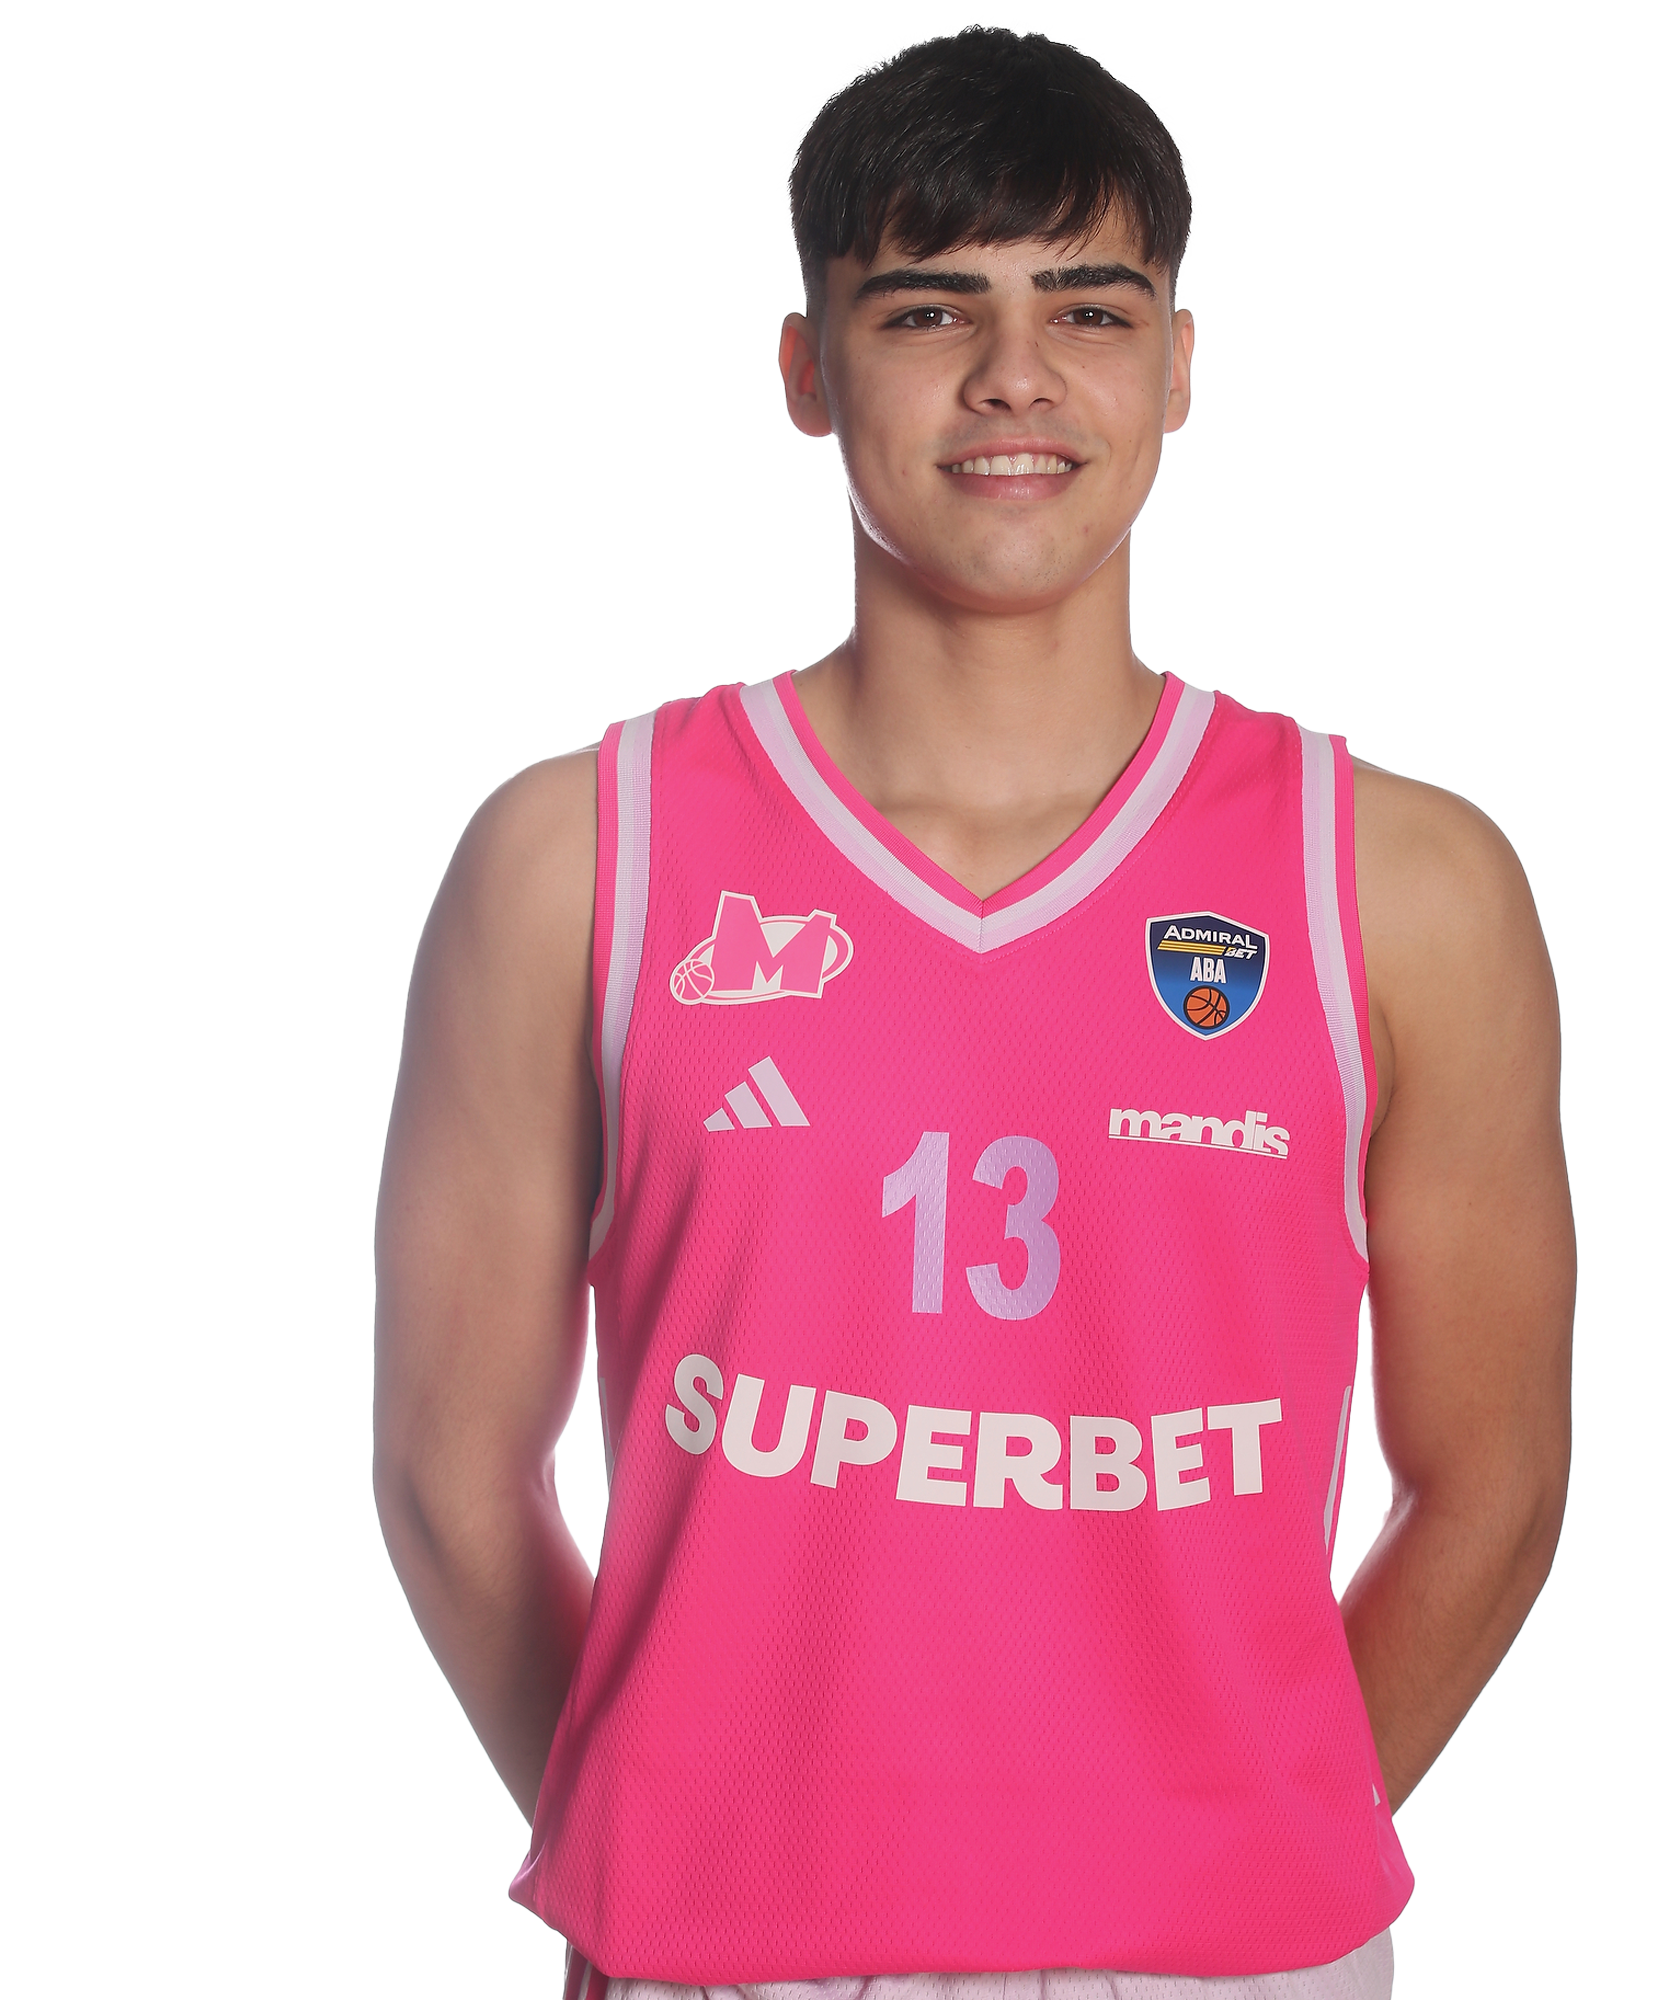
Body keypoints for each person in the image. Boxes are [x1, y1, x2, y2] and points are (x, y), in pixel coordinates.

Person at [375, 25, 1574, 2000]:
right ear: (806, 368)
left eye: (1089, 309)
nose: (1016, 375)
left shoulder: (1401, 885)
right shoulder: (577, 859)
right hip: (720, 1948)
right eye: (929, 308)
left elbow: (1495, 1478)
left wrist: (1247, 1829)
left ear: (1176, 366)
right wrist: (667, 1827)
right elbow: (447, 1468)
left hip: (1228, 1954)